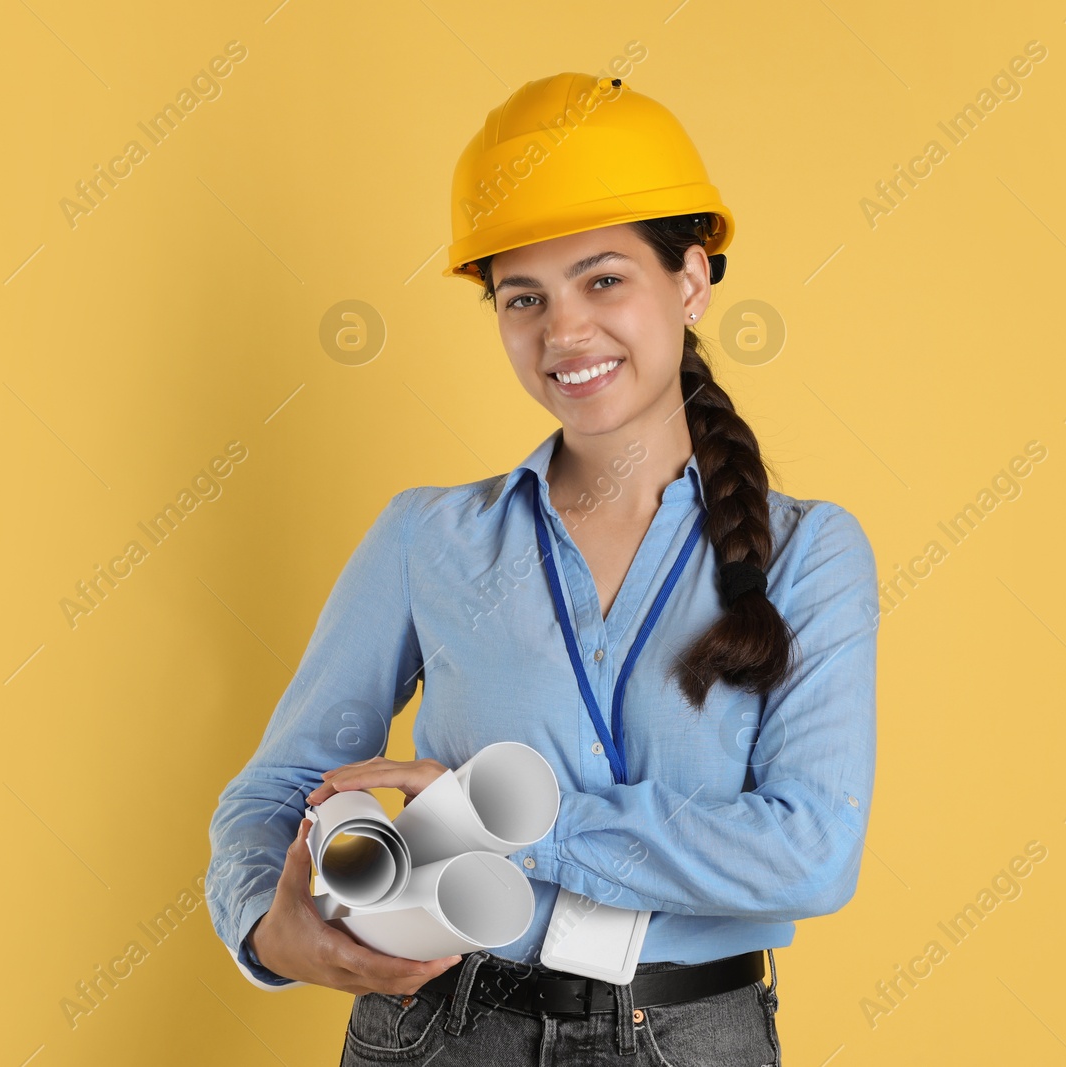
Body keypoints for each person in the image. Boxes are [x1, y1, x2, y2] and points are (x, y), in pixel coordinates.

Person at [205, 71, 878, 1066]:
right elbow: (280, 783)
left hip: (693, 1037)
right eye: (524, 296)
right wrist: (265, 922)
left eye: (603, 279)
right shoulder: (425, 539)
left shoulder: (811, 553)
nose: (563, 332)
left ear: (690, 279)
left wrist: (509, 827)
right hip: (443, 1031)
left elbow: (811, 853)